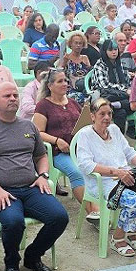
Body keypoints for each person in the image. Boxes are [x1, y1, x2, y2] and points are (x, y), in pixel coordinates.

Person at [0, 82, 67, 271]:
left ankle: (33, 256)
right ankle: (12, 262)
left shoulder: (28, 126)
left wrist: (43, 175)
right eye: (7, 96)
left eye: (15, 95)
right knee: (14, 223)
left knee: (60, 217)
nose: (13, 98)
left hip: (30, 188)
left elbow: (41, 156)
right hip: (1, 192)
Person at [75, 98, 136, 256]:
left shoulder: (114, 130)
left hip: (127, 178)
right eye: (102, 114)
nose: (107, 117)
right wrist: (116, 172)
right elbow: (85, 165)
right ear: (93, 116)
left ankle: (129, 232)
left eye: (109, 113)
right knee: (135, 202)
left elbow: (129, 152)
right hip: (103, 183)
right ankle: (117, 239)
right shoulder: (85, 135)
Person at [33, 69, 95, 214]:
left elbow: (83, 124)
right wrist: (57, 140)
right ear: (50, 85)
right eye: (60, 81)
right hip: (57, 152)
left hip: (78, 149)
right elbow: (38, 132)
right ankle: (92, 211)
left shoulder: (73, 103)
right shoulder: (43, 105)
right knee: (77, 173)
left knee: (97, 169)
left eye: (66, 81)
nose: (65, 84)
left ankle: (101, 205)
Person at [91, 39, 133, 133]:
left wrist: (129, 88)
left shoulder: (119, 63)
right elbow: (104, 86)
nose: (114, 52)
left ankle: (116, 106)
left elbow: (126, 80)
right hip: (105, 96)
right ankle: (119, 139)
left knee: (129, 106)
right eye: (110, 50)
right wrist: (124, 90)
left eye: (115, 49)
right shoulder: (100, 65)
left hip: (120, 96)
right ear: (105, 51)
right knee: (124, 109)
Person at [59, 31, 92, 105]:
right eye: (76, 43)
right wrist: (64, 62)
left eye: (80, 43)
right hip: (71, 88)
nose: (78, 45)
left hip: (85, 87)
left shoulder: (85, 58)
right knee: (80, 97)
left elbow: (90, 74)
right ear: (70, 44)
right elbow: (59, 72)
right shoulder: (66, 57)